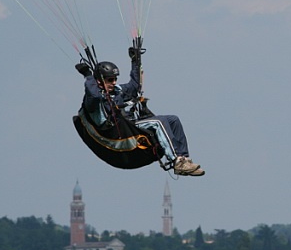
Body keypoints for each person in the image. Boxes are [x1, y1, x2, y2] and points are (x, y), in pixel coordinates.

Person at [75, 50, 205, 176]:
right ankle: (177, 161)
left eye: (115, 79)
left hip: (131, 126)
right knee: (158, 122)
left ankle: (183, 158)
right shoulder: (93, 102)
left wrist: (135, 61)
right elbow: (94, 95)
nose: (114, 82)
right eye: (110, 80)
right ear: (99, 81)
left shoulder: (117, 91)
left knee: (173, 120)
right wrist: (88, 75)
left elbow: (134, 86)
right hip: (119, 133)